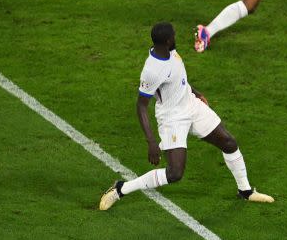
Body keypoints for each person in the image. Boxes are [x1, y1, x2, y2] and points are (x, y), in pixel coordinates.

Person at [98, 22, 273, 211]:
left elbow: (178, 76)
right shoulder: (152, 71)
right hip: (172, 117)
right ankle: (120, 189)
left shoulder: (170, 52)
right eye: (173, 35)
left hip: (191, 105)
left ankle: (245, 191)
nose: (176, 37)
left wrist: (195, 92)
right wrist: (151, 142)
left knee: (229, 143)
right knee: (175, 173)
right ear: (167, 41)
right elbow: (141, 106)